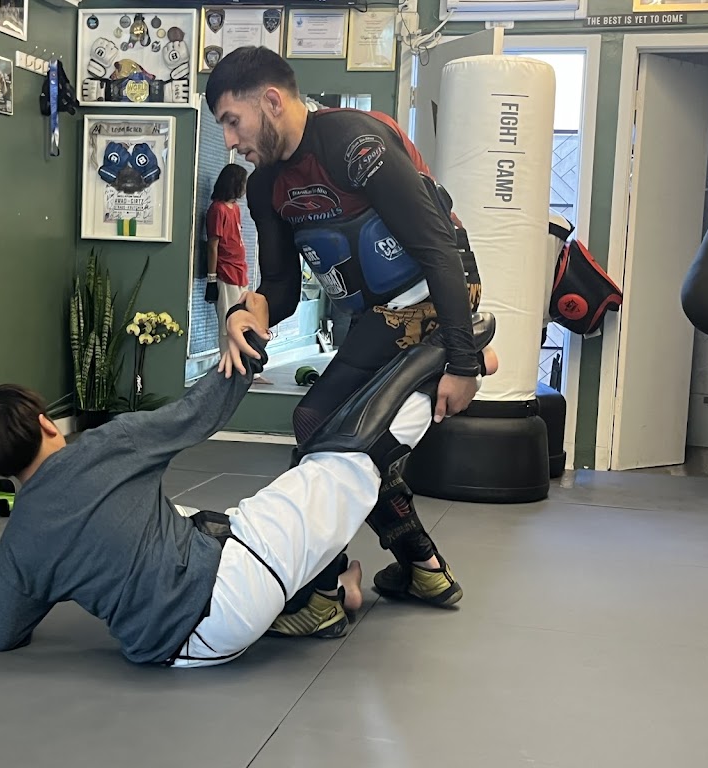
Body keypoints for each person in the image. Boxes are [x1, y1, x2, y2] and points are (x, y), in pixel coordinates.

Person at [0, 293, 497, 666]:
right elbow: (200, 412)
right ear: (47, 424)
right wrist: (250, 345)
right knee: (340, 461)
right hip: (232, 592)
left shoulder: (19, 545)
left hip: (179, 655)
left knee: (205, 520)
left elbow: (1, 634)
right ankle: (444, 362)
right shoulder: (106, 446)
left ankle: (332, 593)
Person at [204, 46, 484, 638]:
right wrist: (245, 313)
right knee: (351, 441)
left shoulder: (355, 145)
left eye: (232, 121)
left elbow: (437, 249)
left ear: (271, 101)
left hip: (432, 300)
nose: (229, 141)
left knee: (317, 427)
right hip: (376, 317)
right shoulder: (265, 186)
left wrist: (464, 363)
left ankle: (323, 593)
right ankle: (422, 567)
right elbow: (280, 289)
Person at [204, 164, 272, 385]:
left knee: (246, 319)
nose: (244, 188)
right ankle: (230, 369)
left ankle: (249, 368)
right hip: (226, 273)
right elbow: (213, 245)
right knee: (229, 323)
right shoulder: (218, 210)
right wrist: (212, 278)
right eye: (242, 183)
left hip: (239, 271)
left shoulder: (234, 209)